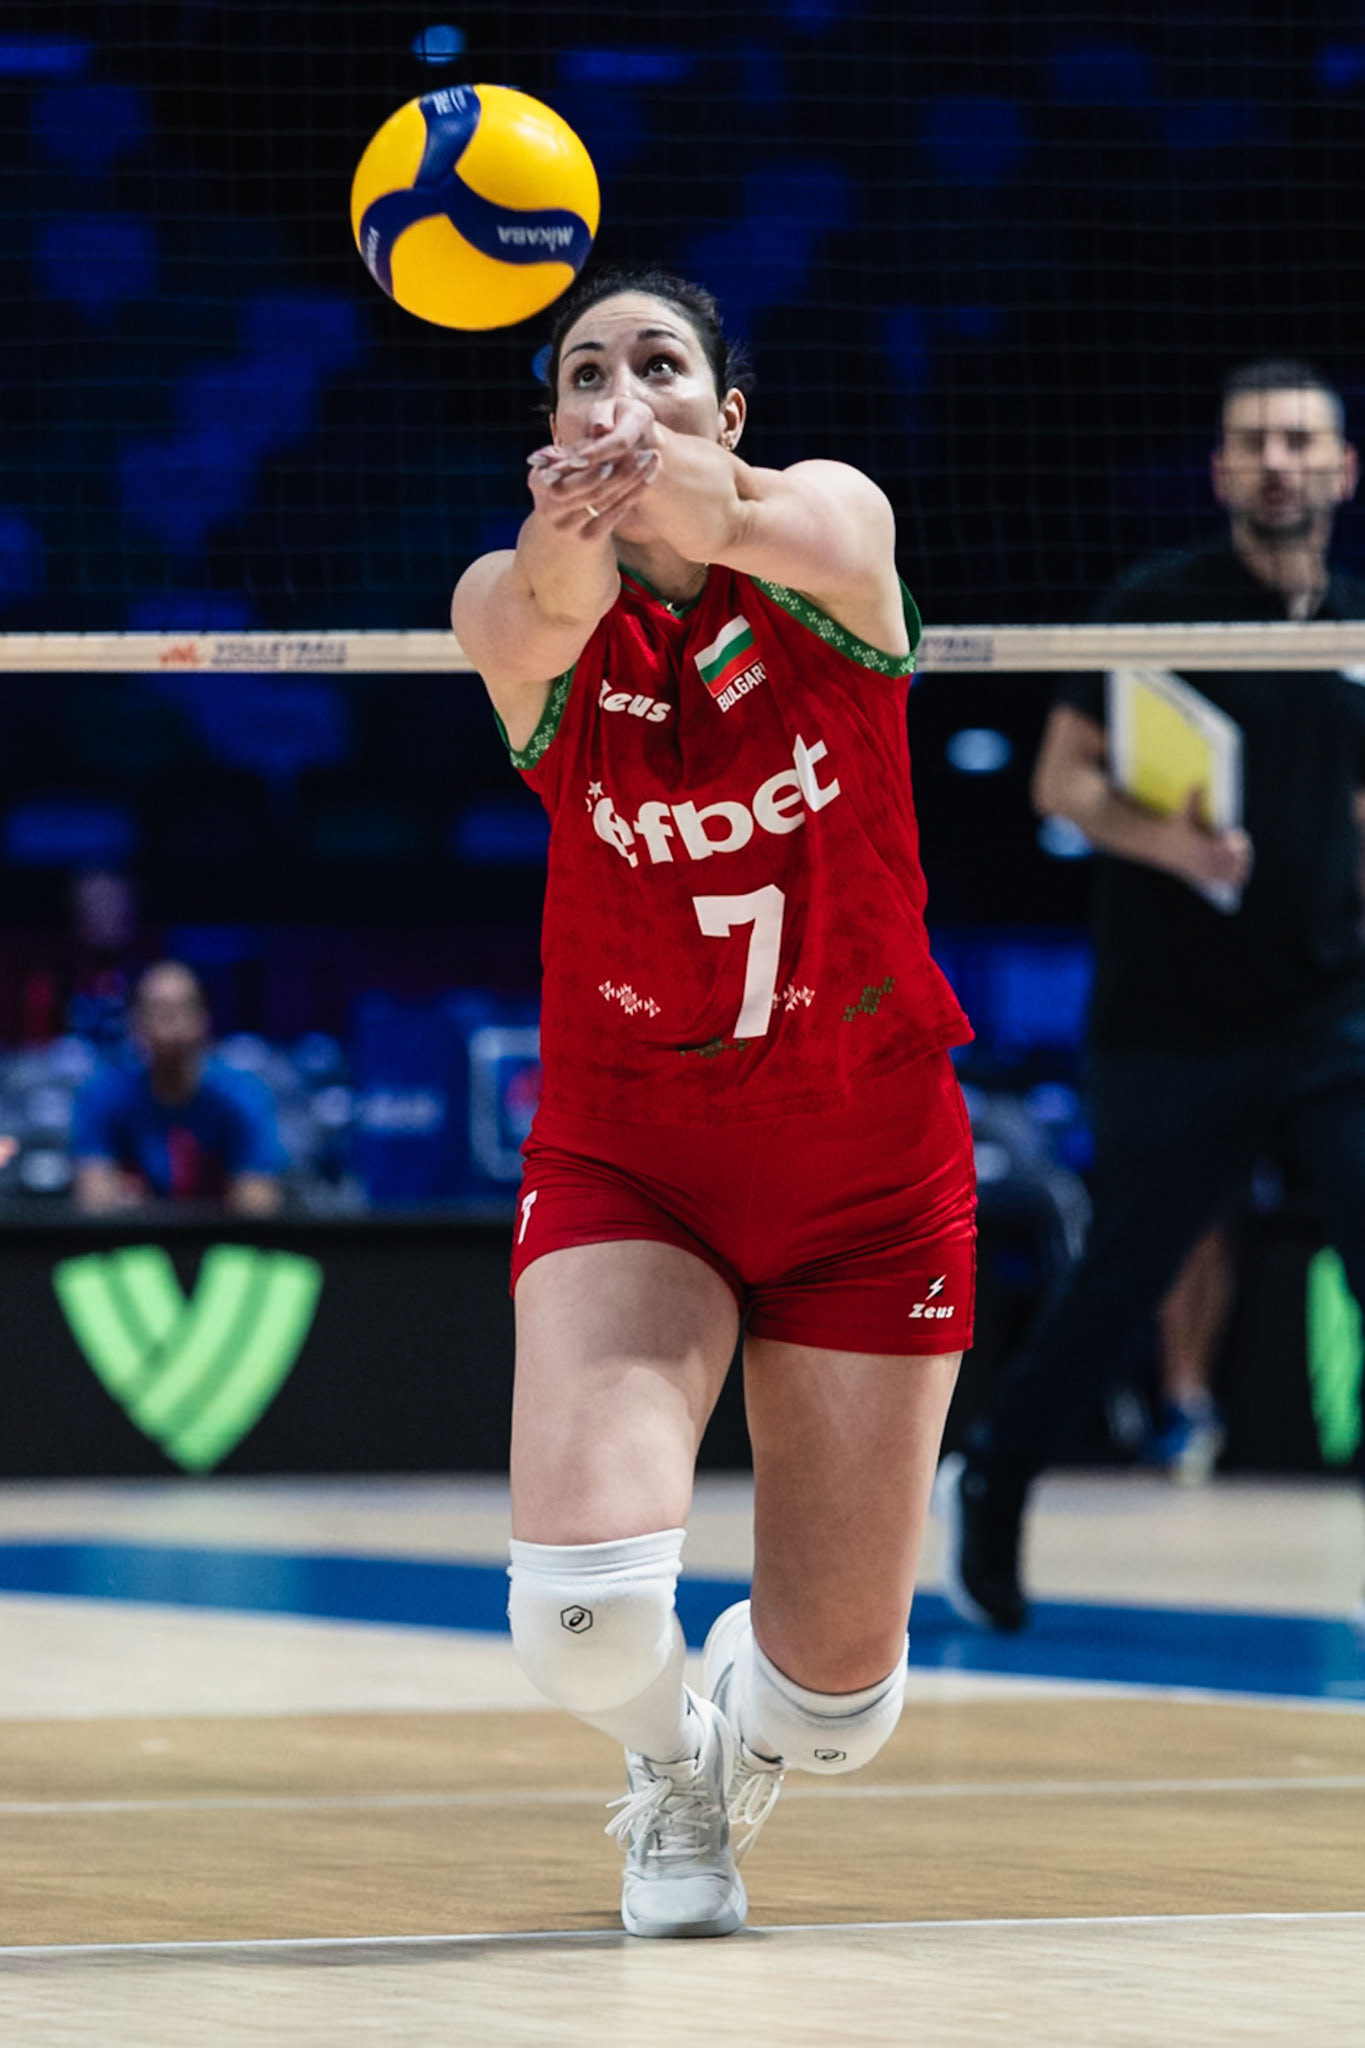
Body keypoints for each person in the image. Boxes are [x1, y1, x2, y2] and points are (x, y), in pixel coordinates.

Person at [450, 266, 976, 1938]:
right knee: (582, 1615)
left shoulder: (834, 530)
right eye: (582, 374)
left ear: (731, 408)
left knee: (843, 1698)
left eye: (661, 365)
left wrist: (661, 469)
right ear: (545, 434)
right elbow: (534, 602)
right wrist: (572, 526)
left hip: (869, 1158)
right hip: (637, 1159)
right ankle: (671, 1767)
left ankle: (757, 1727)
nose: (621, 395)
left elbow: (747, 510)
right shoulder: (517, 613)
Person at [937, 357, 1365, 1629]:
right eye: (1255, 441)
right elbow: (1061, 783)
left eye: (1301, 439)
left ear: (1342, 470)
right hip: (1172, 1021)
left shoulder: (1353, 627)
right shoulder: (1155, 604)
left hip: (1329, 1012)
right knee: (1124, 1273)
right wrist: (1176, 842)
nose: (1279, 460)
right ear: (1224, 470)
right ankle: (999, 1480)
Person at [72, 960, 284, 1214]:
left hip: (221, 1245)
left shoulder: (244, 1096)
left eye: (180, 1008)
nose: (168, 1020)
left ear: (203, 1020)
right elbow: (95, 1202)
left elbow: (258, 1205)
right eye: (156, 1009)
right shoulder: (102, 1095)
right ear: (134, 1023)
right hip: (134, 1245)